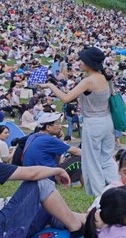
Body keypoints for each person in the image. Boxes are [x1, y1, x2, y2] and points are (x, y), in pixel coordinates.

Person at [39, 47, 118, 196]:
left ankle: (99, 196)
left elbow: (66, 98)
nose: (79, 63)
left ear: (89, 62)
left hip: (93, 122)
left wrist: (50, 86)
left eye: (82, 60)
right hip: (108, 122)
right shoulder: (106, 78)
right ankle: (118, 188)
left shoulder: (88, 81)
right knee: (106, 159)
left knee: (92, 162)